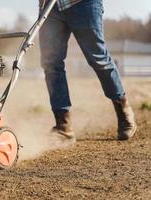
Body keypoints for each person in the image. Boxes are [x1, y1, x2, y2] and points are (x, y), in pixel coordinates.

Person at [38, 0, 137, 140]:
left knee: (98, 59)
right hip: (49, 7)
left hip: (82, 4)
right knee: (50, 63)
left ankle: (124, 111)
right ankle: (63, 125)